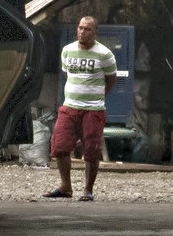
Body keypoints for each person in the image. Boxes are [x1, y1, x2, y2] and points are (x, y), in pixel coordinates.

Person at [43, 15, 117, 202]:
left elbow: (111, 80)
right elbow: (68, 75)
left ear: (95, 33)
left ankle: (88, 189)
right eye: (80, 28)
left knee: (91, 150)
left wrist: (96, 97)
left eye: (87, 29)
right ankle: (65, 186)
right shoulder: (67, 51)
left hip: (93, 109)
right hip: (69, 107)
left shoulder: (105, 54)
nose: (82, 32)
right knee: (59, 146)